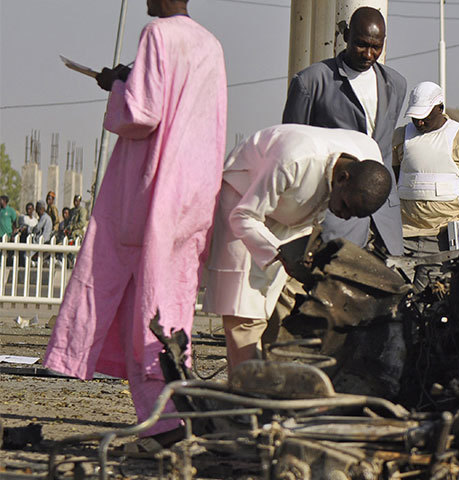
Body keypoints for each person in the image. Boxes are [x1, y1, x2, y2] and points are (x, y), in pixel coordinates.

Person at [44, 0, 227, 451]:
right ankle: (174, 415)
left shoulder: (157, 34)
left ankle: (167, 424)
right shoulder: (211, 43)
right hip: (198, 190)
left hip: (153, 191)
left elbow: (141, 114)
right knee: (172, 304)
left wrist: (117, 84)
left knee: (146, 309)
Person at [204, 124, 391, 371]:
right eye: (345, 206)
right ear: (343, 178)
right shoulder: (293, 160)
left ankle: (272, 376)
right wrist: (280, 254)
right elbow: (244, 216)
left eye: (353, 215)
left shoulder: (369, 162)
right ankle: (246, 393)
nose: (345, 217)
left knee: (287, 301)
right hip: (243, 200)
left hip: (295, 218)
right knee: (246, 311)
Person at [282, 6, 407, 257]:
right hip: (337, 213)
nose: (369, 54)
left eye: (376, 46)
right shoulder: (312, 82)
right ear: (346, 35)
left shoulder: (396, 84)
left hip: (384, 219)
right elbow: (290, 150)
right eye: (361, 44)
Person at [391, 81, 459, 285]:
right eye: (415, 118)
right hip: (402, 238)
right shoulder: (400, 136)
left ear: (440, 108)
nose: (419, 123)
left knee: (435, 300)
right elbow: (393, 185)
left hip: (442, 240)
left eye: (424, 117)